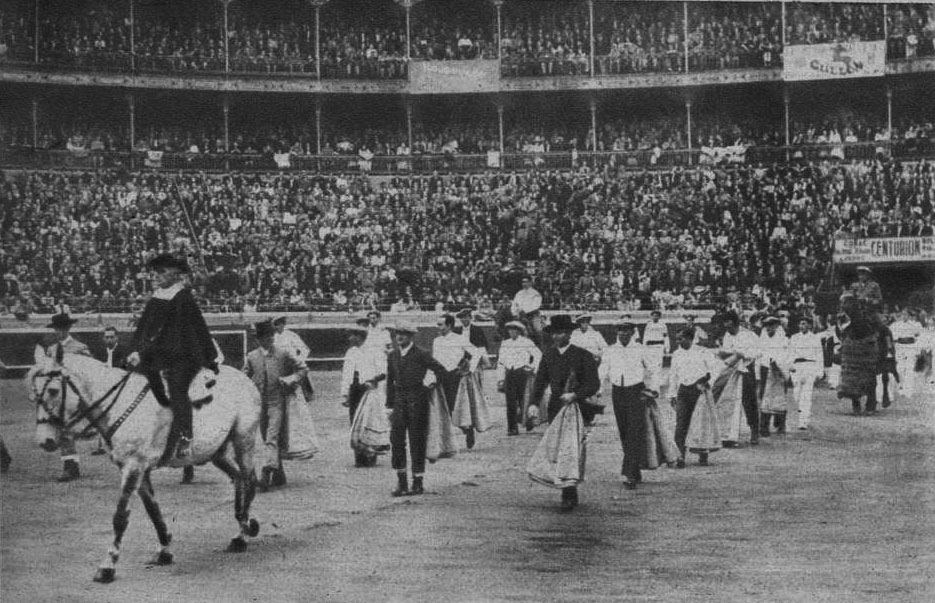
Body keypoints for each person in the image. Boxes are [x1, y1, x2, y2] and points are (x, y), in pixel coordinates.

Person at [126, 254, 218, 461]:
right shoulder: (157, 297)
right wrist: (134, 350)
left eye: (161, 272)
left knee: (177, 386)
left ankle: (185, 434)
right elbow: (144, 330)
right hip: (157, 353)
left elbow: (172, 335)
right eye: (154, 272)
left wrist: (144, 353)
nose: (155, 276)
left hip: (183, 355)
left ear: (175, 274)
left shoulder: (182, 298)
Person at [531, 314, 600, 510]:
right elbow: (540, 381)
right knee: (557, 447)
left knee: (571, 449)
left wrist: (575, 395)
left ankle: (569, 492)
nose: (556, 337)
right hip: (555, 405)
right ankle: (564, 486)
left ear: (569, 333)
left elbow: (593, 384)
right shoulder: (549, 355)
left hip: (578, 407)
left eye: (560, 333)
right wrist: (534, 403)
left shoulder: (582, 355)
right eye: (554, 333)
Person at [243, 319, 308, 491]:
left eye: (271, 336)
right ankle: (279, 473)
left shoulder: (283, 353)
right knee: (266, 437)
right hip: (259, 403)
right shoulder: (252, 356)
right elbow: (245, 378)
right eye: (265, 337)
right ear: (259, 339)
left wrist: (290, 379)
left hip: (277, 401)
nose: (269, 339)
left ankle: (267, 471)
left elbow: (302, 368)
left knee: (271, 437)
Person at [385, 322, 447, 497]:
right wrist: (389, 405)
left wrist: (430, 385)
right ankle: (402, 481)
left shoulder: (421, 353)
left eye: (403, 334)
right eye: (397, 333)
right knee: (396, 440)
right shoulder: (393, 355)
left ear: (411, 336)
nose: (399, 337)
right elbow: (390, 381)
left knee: (416, 441)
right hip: (399, 401)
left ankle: (418, 481)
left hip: (417, 399)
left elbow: (440, 370)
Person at [599, 321, 653, 489]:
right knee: (624, 432)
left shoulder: (640, 348)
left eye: (627, 331)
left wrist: (652, 390)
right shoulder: (610, 350)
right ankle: (634, 469)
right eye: (620, 331)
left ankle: (629, 472)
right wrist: (597, 390)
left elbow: (653, 369)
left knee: (634, 431)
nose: (623, 334)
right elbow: (603, 369)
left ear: (632, 333)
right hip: (618, 392)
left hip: (636, 392)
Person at [42, 312, 91, 482]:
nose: (58, 331)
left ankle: (71, 467)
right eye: (56, 329)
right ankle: (70, 466)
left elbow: (89, 373)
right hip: (58, 396)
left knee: (67, 429)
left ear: (68, 328)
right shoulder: (51, 349)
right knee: (62, 429)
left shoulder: (79, 347)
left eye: (61, 328)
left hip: (76, 394)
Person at [668, 327, 719, 468]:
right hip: (683, 390)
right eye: (677, 339)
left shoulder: (702, 351)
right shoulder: (676, 354)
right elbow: (673, 375)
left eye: (681, 338)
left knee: (701, 423)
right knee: (681, 424)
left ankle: (703, 454)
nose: (678, 341)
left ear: (690, 338)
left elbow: (715, 369)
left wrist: (707, 383)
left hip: (699, 390)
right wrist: (672, 394)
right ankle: (680, 456)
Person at [340, 319, 387, 467]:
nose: (349, 338)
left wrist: (372, 380)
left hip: (369, 390)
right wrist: (345, 393)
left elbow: (383, 372)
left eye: (352, 335)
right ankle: (359, 456)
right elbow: (346, 374)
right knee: (355, 421)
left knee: (368, 421)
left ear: (359, 336)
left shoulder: (374, 351)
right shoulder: (350, 352)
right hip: (355, 390)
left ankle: (370, 454)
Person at [716, 310, 761, 446]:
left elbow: (758, 352)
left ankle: (754, 430)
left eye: (729, 325)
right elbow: (726, 351)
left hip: (746, 369)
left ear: (735, 323)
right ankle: (728, 432)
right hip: (731, 369)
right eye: (725, 325)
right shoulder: (727, 335)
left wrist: (743, 354)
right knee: (728, 399)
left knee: (749, 401)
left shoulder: (749, 335)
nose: (727, 328)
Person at [432, 314, 477, 448]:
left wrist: (469, 369)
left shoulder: (460, 339)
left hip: (454, 376)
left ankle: (467, 430)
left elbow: (476, 352)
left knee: (454, 408)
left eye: (441, 324)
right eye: (438, 324)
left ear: (449, 325)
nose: (438, 327)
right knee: (440, 408)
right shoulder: (436, 341)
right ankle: (445, 443)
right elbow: (435, 359)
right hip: (440, 376)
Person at [496, 320, 541, 435]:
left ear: (519, 331)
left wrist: (532, 367)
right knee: (510, 402)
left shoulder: (526, 342)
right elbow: (501, 362)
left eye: (514, 329)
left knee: (524, 399)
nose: (512, 332)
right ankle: (512, 428)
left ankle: (528, 421)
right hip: (510, 373)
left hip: (522, 372)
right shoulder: (505, 343)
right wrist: (500, 379)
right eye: (510, 330)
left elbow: (538, 355)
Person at [90, 326, 127, 456]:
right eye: (107, 337)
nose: (109, 339)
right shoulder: (99, 352)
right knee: (100, 414)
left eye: (112, 337)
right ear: (103, 338)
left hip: (120, 387)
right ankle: (101, 444)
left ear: (117, 337)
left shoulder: (124, 350)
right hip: (103, 387)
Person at [757, 316, 791, 435]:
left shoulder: (783, 340)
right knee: (765, 398)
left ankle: (780, 424)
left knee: (779, 397)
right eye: (766, 326)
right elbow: (759, 354)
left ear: (777, 326)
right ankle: (764, 427)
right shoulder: (762, 339)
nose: (768, 328)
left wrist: (778, 364)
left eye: (771, 325)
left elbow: (787, 355)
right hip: (765, 370)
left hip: (779, 371)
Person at [789, 317, 824, 430]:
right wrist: (790, 366)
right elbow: (790, 353)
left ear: (809, 325)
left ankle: (803, 420)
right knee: (797, 394)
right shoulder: (794, 337)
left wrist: (820, 371)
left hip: (810, 366)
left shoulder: (814, 338)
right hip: (797, 367)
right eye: (800, 324)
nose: (801, 326)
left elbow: (819, 354)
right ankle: (802, 412)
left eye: (804, 324)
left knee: (806, 395)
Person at [643, 310, 669, 391]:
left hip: (659, 346)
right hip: (650, 347)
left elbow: (666, 337)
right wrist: (644, 347)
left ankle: (656, 386)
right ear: (651, 316)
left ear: (659, 317)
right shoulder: (648, 325)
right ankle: (656, 381)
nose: (655, 317)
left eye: (657, 315)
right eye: (653, 315)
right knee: (650, 366)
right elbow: (645, 336)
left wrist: (667, 348)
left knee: (658, 365)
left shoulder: (663, 325)